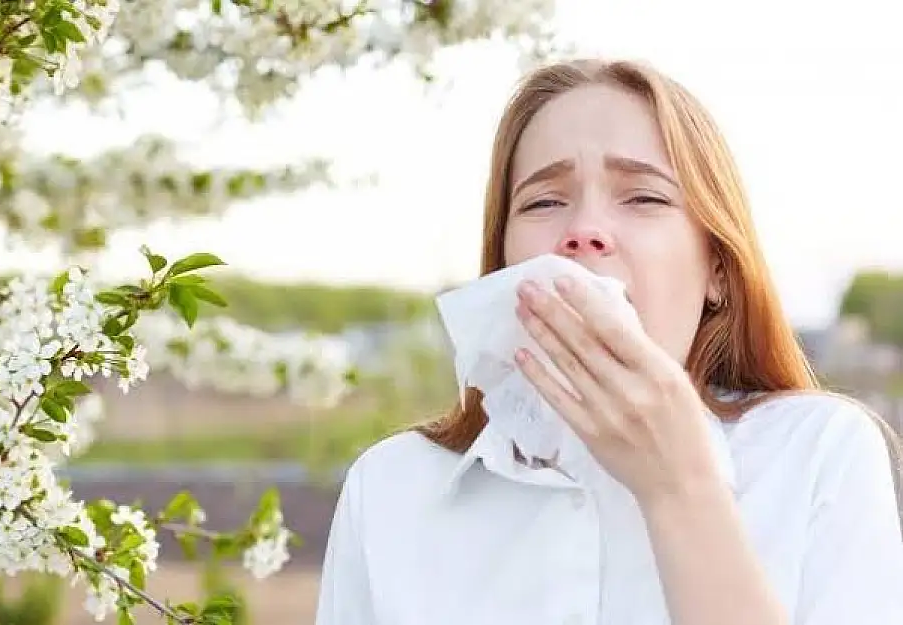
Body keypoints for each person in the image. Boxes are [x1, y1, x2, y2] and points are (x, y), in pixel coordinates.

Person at [313, 58, 903, 625]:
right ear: (502, 263)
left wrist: (679, 487)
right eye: (544, 201)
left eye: (644, 197)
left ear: (719, 270)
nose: (584, 232)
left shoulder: (821, 455)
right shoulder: (392, 487)